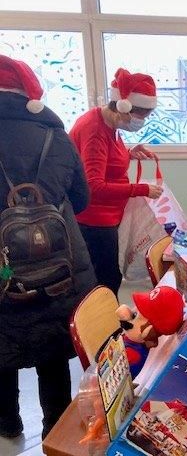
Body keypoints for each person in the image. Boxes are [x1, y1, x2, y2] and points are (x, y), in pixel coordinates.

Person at [0, 55, 96, 438]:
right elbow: (82, 199)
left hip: (4, 273)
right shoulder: (55, 136)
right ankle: (55, 429)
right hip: (59, 264)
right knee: (52, 350)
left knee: (2, 347)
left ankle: (8, 423)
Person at [70, 68, 163, 296]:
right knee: (106, 279)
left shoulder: (110, 124)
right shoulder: (95, 131)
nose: (141, 122)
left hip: (108, 216)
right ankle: (104, 318)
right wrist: (141, 189)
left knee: (111, 274)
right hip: (94, 221)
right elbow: (94, 186)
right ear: (123, 107)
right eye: (141, 117)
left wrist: (129, 153)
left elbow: (103, 161)